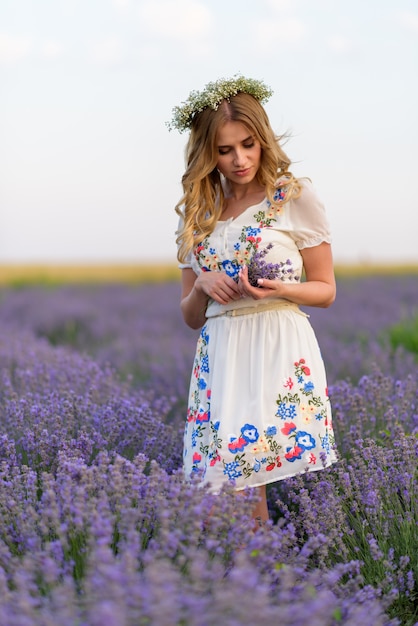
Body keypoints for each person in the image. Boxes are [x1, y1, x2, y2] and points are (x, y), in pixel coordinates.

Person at [169, 75, 338, 524]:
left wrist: (281, 288)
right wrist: (202, 285)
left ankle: (260, 580)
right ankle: (255, 580)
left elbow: (326, 290)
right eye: (224, 150)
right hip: (221, 352)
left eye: (248, 144)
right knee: (226, 492)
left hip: (276, 345)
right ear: (208, 153)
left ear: (262, 138)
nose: (239, 159)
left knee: (247, 485)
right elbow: (189, 317)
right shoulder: (197, 213)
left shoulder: (292, 196)